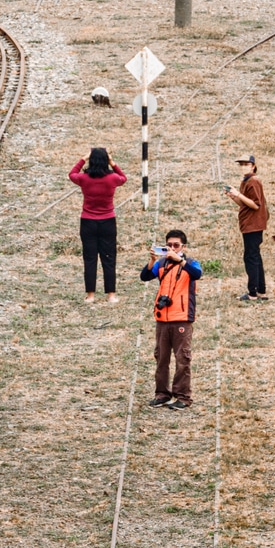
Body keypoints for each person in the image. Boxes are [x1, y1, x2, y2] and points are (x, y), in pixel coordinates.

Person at [141, 230, 203, 410]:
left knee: (182, 358)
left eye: (176, 245)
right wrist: (152, 260)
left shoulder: (190, 263)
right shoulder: (161, 264)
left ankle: (183, 396)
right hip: (162, 318)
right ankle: (162, 393)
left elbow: (197, 273)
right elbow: (145, 276)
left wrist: (179, 260)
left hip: (182, 318)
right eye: (169, 245)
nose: (172, 248)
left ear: (183, 247)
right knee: (161, 358)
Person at [70, 147, 127, 303]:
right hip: (108, 221)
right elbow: (124, 177)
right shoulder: (112, 179)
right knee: (109, 257)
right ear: (105, 161)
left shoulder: (84, 178)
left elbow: (72, 174)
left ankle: (90, 295)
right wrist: (112, 162)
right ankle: (111, 294)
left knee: (90, 258)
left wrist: (83, 158)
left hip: (87, 221)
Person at [224, 154, 269, 301]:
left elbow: (256, 205)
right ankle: (260, 290)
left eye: (246, 164)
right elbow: (245, 204)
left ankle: (252, 292)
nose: (243, 167)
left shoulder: (253, 181)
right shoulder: (246, 181)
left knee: (250, 257)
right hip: (249, 224)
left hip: (253, 225)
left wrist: (238, 194)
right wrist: (234, 196)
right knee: (254, 256)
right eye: (241, 164)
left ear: (253, 166)